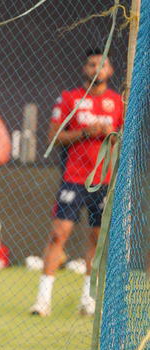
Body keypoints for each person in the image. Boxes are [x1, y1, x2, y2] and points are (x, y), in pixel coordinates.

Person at [29, 49, 122, 317]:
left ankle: (88, 299)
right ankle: (43, 300)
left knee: (97, 238)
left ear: (110, 70)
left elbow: (125, 141)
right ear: (84, 68)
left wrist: (111, 134)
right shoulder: (70, 98)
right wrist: (83, 133)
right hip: (74, 178)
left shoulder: (118, 101)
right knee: (58, 234)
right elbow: (53, 136)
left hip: (103, 180)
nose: (97, 69)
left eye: (102, 65)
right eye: (92, 64)